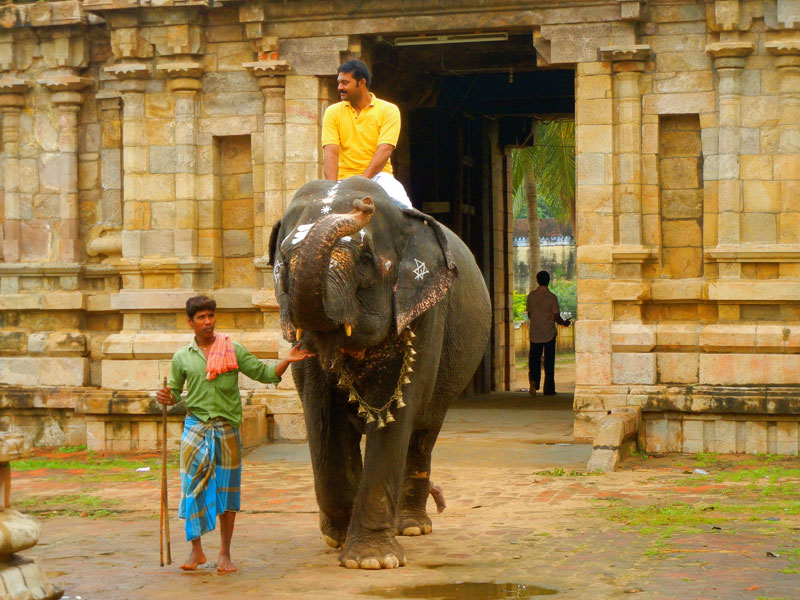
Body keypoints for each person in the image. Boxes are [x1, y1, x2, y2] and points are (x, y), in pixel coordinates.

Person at [156, 295, 314, 573]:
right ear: (190, 322)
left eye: (210, 316)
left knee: (227, 493)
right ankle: (196, 552)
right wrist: (165, 398)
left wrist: (287, 360)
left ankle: (225, 554)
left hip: (226, 429)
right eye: (201, 317)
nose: (207, 322)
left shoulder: (233, 349)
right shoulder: (182, 357)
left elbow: (265, 374)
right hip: (194, 428)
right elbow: (175, 395)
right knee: (191, 489)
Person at [322, 59, 412, 208]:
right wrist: (333, 189)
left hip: (379, 177)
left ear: (361, 82)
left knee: (406, 210)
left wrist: (361, 182)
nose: (339, 87)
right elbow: (331, 153)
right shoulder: (332, 112)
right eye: (339, 82)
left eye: (345, 82)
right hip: (342, 180)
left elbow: (385, 150)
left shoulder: (388, 110)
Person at [526, 271, 571, 396]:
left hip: (535, 333)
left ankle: (534, 382)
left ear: (537, 280)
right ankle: (549, 389)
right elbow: (556, 317)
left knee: (534, 360)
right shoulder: (552, 297)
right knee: (549, 362)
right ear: (548, 281)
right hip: (549, 333)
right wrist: (565, 323)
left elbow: (529, 314)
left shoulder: (531, 296)